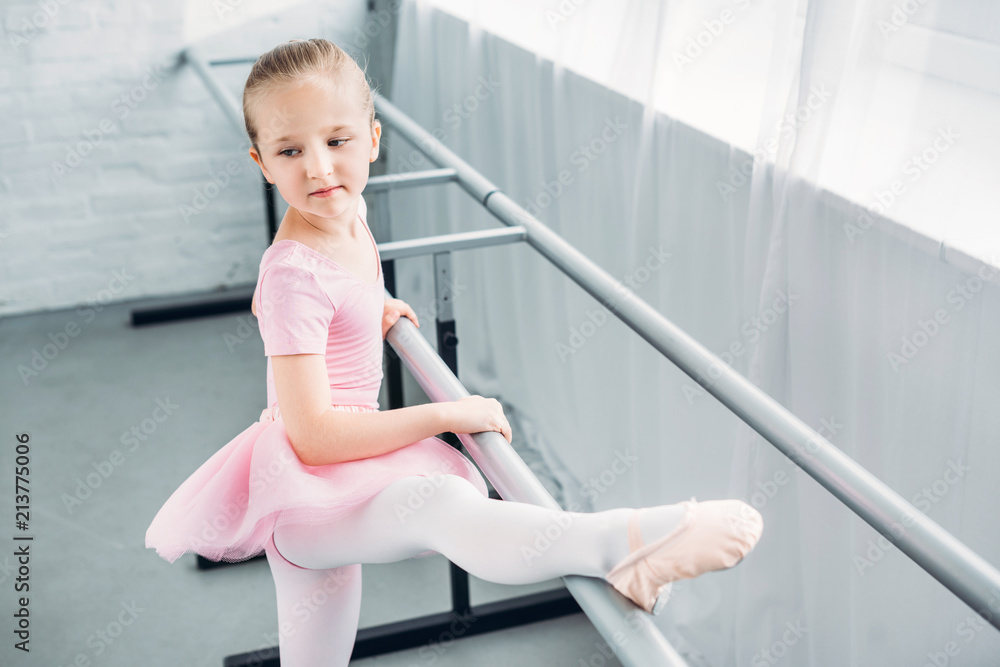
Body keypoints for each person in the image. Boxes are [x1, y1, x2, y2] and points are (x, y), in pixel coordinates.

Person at [145, 38, 764, 666]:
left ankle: (623, 550)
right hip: (306, 490)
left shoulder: (344, 213)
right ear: (261, 163)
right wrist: (446, 414)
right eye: (289, 151)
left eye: (337, 141)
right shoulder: (293, 274)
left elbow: (332, 292)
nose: (318, 169)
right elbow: (313, 436)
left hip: (335, 478)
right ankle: (623, 544)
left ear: (373, 139)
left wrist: (367, 308)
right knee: (438, 508)